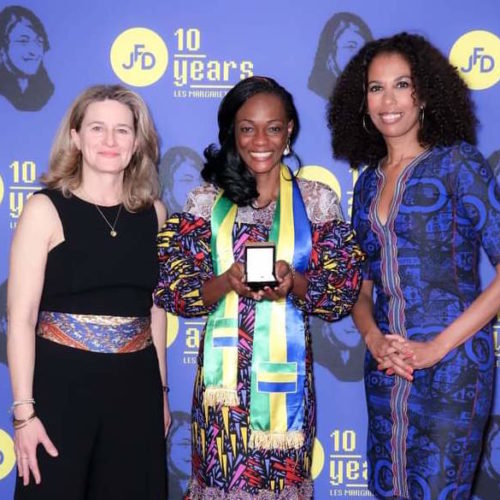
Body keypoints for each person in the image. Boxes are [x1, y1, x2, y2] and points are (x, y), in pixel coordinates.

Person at [154, 75, 364, 498]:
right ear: (233, 132)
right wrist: (227, 282)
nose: (261, 140)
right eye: (248, 128)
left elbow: (340, 291)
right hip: (221, 393)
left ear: (289, 131)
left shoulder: (315, 201)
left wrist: (294, 282)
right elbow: (175, 289)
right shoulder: (206, 202)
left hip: (286, 393)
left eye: (273, 127)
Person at [328, 32, 500, 499]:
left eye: (401, 85)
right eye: (376, 88)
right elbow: (362, 285)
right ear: (362, 100)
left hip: (453, 367)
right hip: (385, 367)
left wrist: (435, 348)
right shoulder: (367, 184)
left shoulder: (458, 164)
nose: (389, 101)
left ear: (423, 93)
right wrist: (373, 340)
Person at [7, 84, 169, 499]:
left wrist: (162, 396)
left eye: (122, 130)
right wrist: (24, 413)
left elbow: (155, 311)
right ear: (76, 137)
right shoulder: (44, 209)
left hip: (136, 390)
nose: (110, 140)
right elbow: (21, 318)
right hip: (61, 389)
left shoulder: (154, 213)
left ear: (137, 142)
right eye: (97, 128)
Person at [308, 11, 372, 100]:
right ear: (331, 50)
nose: (359, 54)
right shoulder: (316, 97)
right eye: (351, 46)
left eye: (363, 48)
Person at [0, 5, 54, 111]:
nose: (34, 51)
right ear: (2, 48)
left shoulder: (48, 93)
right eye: (23, 41)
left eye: (39, 42)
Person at [159, 146, 203, 213]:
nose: (198, 187)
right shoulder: (157, 214)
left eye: (200, 180)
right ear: (168, 186)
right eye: (187, 180)